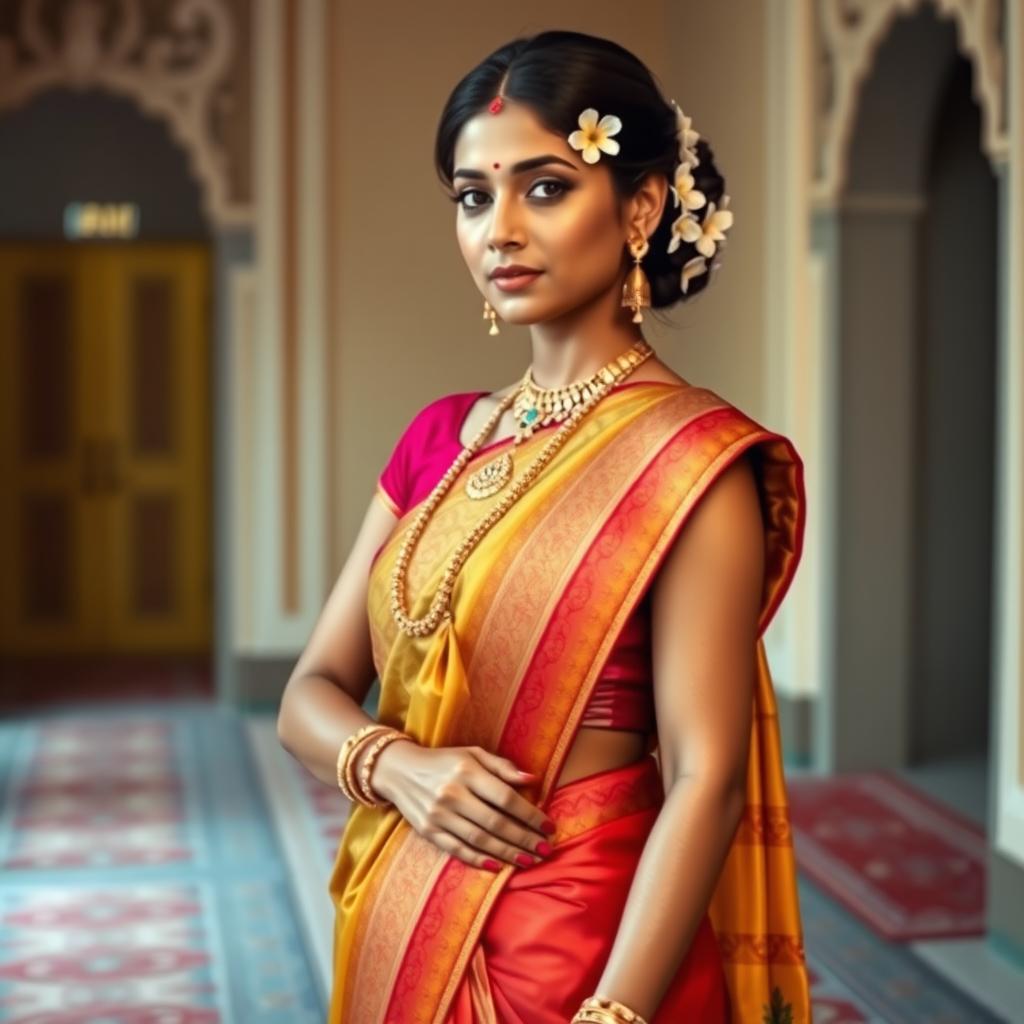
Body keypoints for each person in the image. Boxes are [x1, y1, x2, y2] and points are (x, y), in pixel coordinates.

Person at [276, 29, 811, 1024]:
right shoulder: (440, 437)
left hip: (587, 944)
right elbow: (307, 693)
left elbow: (704, 778)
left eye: (545, 187)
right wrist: (398, 766)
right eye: (474, 197)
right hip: (405, 905)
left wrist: (614, 1011)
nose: (499, 230)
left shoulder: (690, 464)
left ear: (639, 206)